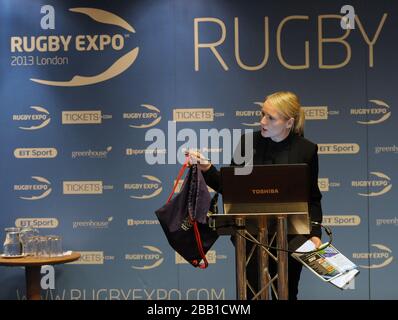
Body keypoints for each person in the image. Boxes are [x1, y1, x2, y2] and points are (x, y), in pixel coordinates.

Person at [188, 91, 323, 300]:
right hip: (250, 236)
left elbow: (312, 197)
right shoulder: (246, 143)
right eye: (262, 114)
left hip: (292, 237)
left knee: (286, 294)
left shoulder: (307, 150)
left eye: (271, 117)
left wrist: (314, 233)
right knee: (251, 294)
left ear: (289, 122)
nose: (262, 121)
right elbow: (230, 188)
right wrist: (207, 168)